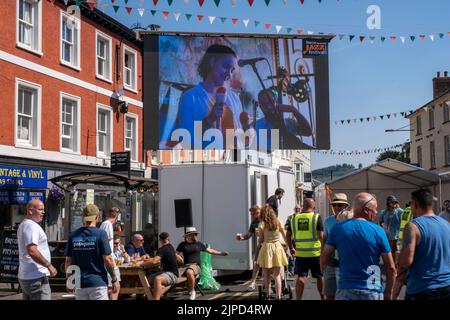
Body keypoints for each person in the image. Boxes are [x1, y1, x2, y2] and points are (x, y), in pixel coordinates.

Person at [321, 193, 397, 300]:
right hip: (372, 289)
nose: (376, 213)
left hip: (346, 288)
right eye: (374, 209)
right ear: (366, 210)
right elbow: (391, 267)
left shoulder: (338, 229)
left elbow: (324, 259)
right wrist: (389, 292)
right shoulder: (378, 231)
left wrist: (339, 263)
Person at [175, 44, 244, 149]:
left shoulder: (235, 99)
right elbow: (185, 142)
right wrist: (210, 119)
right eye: (226, 67)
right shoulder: (190, 98)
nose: (229, 74)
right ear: (212, 62)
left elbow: (240, 140)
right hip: (205, 162)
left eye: (232, 70)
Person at [394, 189, 450, 300]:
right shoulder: (447, 225)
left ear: (415, 204)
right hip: (446, 287)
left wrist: (398, 258)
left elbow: (405, 262)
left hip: (422, 289)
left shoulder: (413, 226)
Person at [64, 204, 119, 300]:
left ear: (83, 217)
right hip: (98, 282)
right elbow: (108, 259)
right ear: (97, 217)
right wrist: (114, 279)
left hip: (79, 282)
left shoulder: (73, 235)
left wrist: (69, 281)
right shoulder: (101, 234)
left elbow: (68, 261)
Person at [17, 199, 57, 300]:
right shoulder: (31, 226)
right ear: (30, 211)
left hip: (29, 276)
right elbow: (32, 250)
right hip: (36, 277)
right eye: (40, 209)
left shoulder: (25, 224)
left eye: (43, 209)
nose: (43, 212)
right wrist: (49, 265)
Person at [286, 198, 324, 300]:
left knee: (301, 277)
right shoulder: (316, 217)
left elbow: (288, 235)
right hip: (315, 253)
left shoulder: (293, 218)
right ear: (313, 207)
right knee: (320, 277)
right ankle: (323, 298)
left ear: (303, 206)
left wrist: (291, 247)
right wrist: (324, 250)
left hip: (301, 254)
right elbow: (321, 236)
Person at [176, 227, 229, 300]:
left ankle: (192, 292)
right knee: (174, 276)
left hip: (195, 265)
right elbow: (176, 253)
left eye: (195, 234)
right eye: (193, 234)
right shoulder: (182, 244)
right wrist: (179, 257)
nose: (195, 236)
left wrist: (221, 253)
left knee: (189, 272)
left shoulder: (199, 244)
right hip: (185, 266)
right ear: (188, 236)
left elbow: (210, 251)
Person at [255, 86, 313, 150]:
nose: (269, 107)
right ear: (260, 107)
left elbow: (307, 132)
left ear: (276, 102)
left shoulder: (288, 123)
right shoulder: (256, 126)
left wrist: (293, 110)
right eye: (264, 104)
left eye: (271, 102)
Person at [256, 206, 288, 300]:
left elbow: (261, 239)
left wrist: (259, 243)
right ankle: (278, 296)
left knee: (266, 275)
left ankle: (268, 295)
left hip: (266, 248)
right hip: (277, 247)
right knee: (277, 275)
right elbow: (285, 236)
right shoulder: (278, 222)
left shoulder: (262, 224)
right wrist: (288, 245)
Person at [322, 193, 349, 300]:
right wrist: (322, 259)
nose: (337, 207)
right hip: (330, 261)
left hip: (346, 262)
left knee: (344, 294)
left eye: (340, 205)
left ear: (346, 207)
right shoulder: (328, 221)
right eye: (335, 205)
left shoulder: (352, 220)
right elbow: (324, 240)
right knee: (329, 293)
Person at [142, 232, 182, 300]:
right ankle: (156, 292)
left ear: (160, 240)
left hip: (172, 275)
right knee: (147, 279)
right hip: (169, 272)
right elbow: (158, 258)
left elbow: (154, 261)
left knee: (158, 279)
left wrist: (142, 264)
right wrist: (149, 259)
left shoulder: (162, 249)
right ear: (169, 239)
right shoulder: (170, 247)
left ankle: (156, 298)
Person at [236, 205, 261, 291]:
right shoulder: (254, 223)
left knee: (271, 266)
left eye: (253, 214)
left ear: (258, 212)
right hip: (260, 245)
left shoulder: (266, 220)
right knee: (256, 264)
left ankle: (276, 282)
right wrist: (242, 238)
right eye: (251, 214)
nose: (252, 216)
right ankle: (253, 283)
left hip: (269, 245)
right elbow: (249, 235)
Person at [99, 207, 121, 300]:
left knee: (111, 287)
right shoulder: (107, 225)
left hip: (108, 259)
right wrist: (111, 258)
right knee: (114, 287)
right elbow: (105, 244)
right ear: (117, 216)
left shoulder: (105, 224)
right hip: (108, 260)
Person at [377, 195, 403, 261]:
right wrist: (382, 231)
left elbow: (405, 222)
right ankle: (392, 267)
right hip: (388, 236)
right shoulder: (384, 212)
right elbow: (380, 222)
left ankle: (399, 267)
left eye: (395, 202)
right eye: (392, 202)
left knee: (399, 253)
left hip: (399, 236)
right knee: (390, 253)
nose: (394, 203)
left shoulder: (400, 211)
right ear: (388, 203)